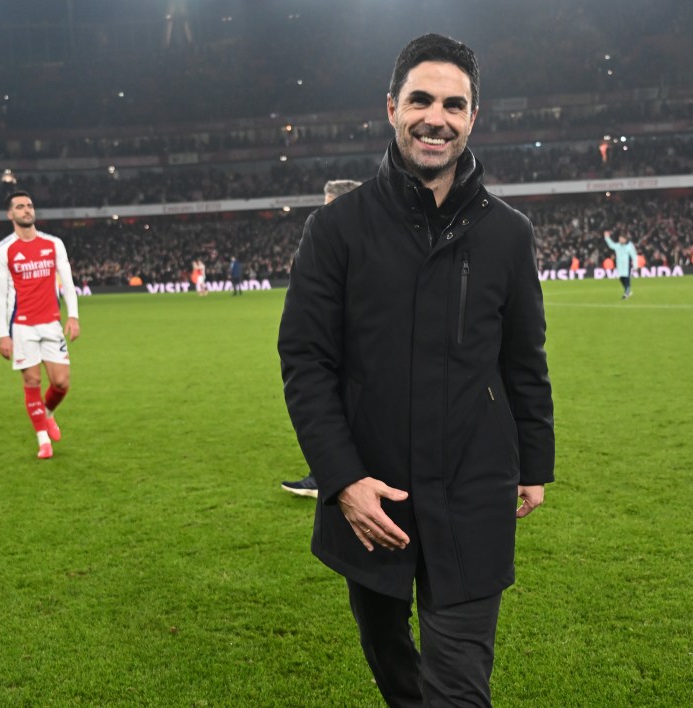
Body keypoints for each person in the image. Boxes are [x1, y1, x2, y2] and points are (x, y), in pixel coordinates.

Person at [278, 33, 554, 707]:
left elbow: (524, 358)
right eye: (422, 99)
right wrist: (341, 481)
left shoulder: (509, 233)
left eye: (454, 104)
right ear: (392, 108)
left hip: (474, 489)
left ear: (473, 117)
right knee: (388, 655)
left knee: (458, 686)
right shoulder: (337, 229)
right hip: (373, 494)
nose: (438, 117)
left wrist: (536, 462)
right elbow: (306, 361)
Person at [280, 177, 363, 499]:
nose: (322, 213)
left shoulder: (352, 239)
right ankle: (328, 473)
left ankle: (328, 477)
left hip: (353, 342)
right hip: (337, 337)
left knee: (343, 400)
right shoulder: (340, 237)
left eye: (327, 205)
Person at [0, 191, 80, 459]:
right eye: (20, 207)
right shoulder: (4, 250)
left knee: (61, 383)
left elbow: (68, 283)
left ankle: (48, 414)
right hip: (22, 326)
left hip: (51, 324)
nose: (26, 210)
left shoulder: (54, 244)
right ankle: (43, 440)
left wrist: (73, 316)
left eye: (29, 206)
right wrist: (3, 335)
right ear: (11, 215)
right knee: (32, 380)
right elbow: (0, 296)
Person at [603, 229, 638, 298]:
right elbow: (611, 245)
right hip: (619, 265)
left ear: (625, 239)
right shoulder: (618, 245)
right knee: (621, 278)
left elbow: (634, 256)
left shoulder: (630, 246)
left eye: (621, 239)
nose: (620, 240)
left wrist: (635, 266)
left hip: (627, 265)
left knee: (626, 277)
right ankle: (628, 290)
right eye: (619, 239)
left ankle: (626, 292)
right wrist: (607, 237)